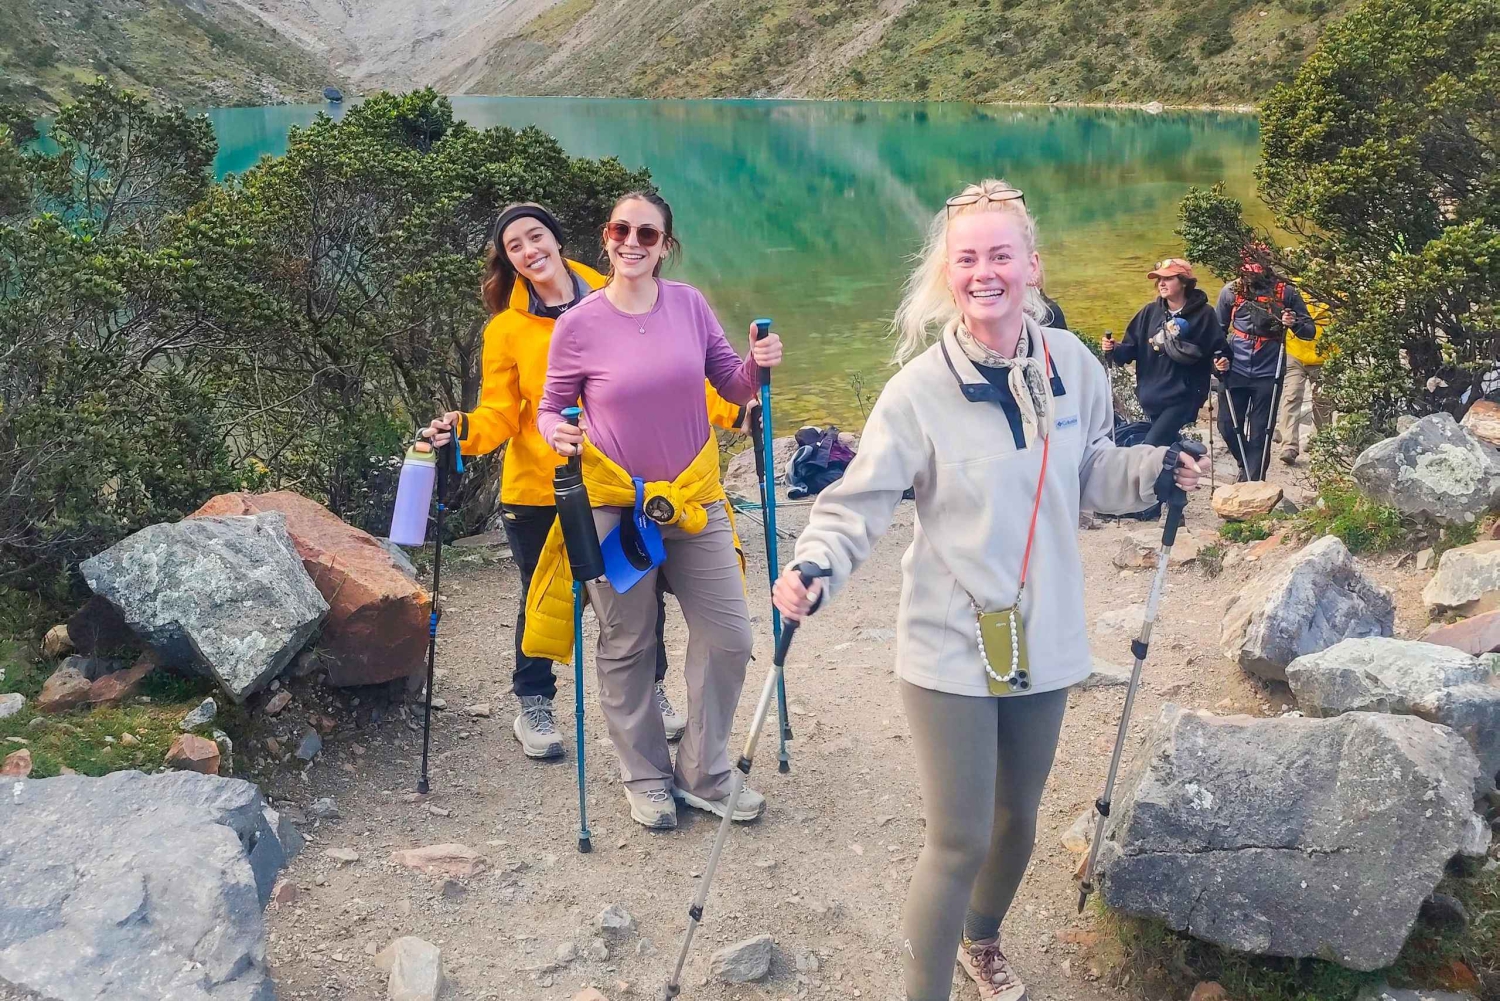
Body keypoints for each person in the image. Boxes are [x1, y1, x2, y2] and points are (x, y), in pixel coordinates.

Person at [770, 179, 1207, 1001]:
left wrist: (1154, 469)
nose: (984, 272)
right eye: (967, 258)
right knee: (959, 839)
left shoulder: (1074, 365)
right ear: (948, 272)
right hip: (950, 637)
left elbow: (1090, 470)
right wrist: (813, 565)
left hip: (1047, 629)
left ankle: (982, 938)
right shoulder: (917, 391)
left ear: (1032, 266)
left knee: (1017, 821)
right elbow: (859, 500)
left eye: (1001, 255)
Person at [420, 202, 749, 763]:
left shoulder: (619, 291)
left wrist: (736, 411)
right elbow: (501, 413)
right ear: (509, 261)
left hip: (617, 486)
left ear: (557, 238)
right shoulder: (507, 329)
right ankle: (535, 701)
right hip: (539, 488)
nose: (530, 251)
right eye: (515, 247)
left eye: (536, 237)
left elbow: (675, 381)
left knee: (639, 590)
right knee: (543, 597)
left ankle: (651, 688)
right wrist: (464, 430)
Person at [532, 190, 784, 831]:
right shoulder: (578, 324)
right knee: (628, 643)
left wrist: (756, 365)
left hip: (694, 499)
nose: (632, 242)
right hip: (616, 506)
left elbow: (731, 383)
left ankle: (703, 772)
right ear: (606, 236)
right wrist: (558, 433)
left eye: (648, 234)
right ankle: (644, 776)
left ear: (665, 245)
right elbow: (550, 406)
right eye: (622, 230)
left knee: (730, 637)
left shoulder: (690, 305)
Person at [1103, 258, 1226, 446]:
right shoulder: (1149, 312)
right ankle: (1185, 456)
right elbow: (1130, 349)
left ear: (1184, 282)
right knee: (1164, 446)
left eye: (1168, 279)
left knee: (1151, 446)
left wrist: (1220, 363)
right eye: (1159, 279)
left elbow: (1218, 350)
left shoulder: (1204, 314)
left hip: (1184, 397)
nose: (1161, 283)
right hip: (1152, 395)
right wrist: (1113, 348)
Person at [1214, 254, 1316, 481]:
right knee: (1227, 425)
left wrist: (1294, 323)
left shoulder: (1286, 292)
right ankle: (1245, 464)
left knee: (1262, 431)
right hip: (1235, 368)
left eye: (1256, 270)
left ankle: (1254, 481)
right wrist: (1216, 359)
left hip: (1269, 371)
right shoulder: (1230, 292)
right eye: (1247, 271)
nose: (1251, 276)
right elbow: (1216, 331)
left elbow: (1309, 331)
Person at [1274, 286, 1331, 464]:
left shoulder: (1339, 291)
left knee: (1323, 400)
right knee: (1291, 395)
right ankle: (1289, 445)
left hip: (1325, 355)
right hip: (1295, 352)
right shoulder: (1294, 289)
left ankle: (1320, 442)